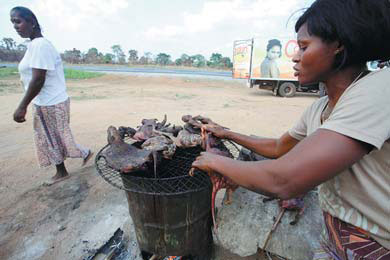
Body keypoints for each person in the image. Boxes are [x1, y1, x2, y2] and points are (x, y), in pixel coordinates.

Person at [192, 0, 390, 258]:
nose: (295, 56)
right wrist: (227, 133)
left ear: (339, 45)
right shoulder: (319, 108)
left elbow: (284, 180)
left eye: (304, 47)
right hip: (334, 235)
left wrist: (214, 161)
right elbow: (278, 147)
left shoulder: (379, 89)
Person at [10, 6, 93, 185]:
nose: (15, 26)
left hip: (52, 102)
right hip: (44, 101)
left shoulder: (40, 45)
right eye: (13, 23)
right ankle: (76, 160)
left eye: (18, 21)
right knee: (51, 137)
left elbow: (38, 79)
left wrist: (22, 106)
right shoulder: (33, 45)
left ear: (32, 22)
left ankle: (64, 170)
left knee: (55, 137)